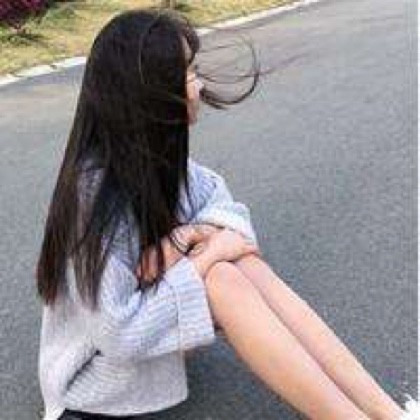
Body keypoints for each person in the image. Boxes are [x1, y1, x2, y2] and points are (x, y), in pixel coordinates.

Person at [35, 7, 418, 420]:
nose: (199, 84)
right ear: (151, 91)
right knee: (222, 275)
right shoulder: (93, 197)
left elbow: (230, 215)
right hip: (96, 379)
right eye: (188, 71)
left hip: (148, 341)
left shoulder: (158, 163)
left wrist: (183, 241)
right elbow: (120, 337)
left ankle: (389, 414)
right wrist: (208, 256)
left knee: (237, 267)